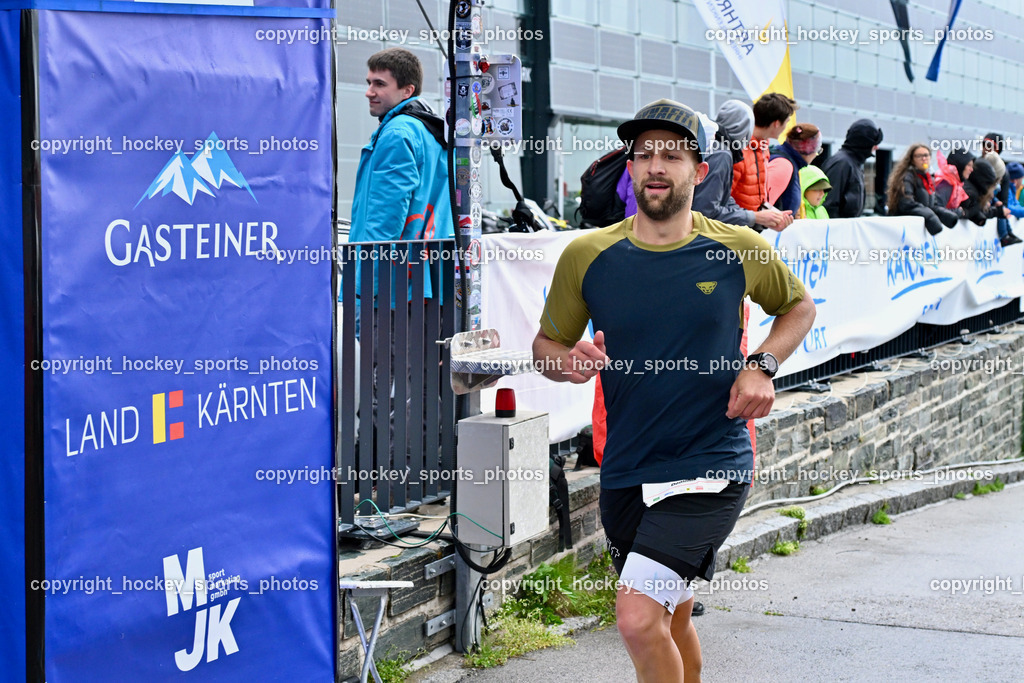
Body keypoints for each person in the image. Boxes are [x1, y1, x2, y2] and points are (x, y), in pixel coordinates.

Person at [533, 99, 816, 682]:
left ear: (700, 170)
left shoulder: (739, 247)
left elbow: (798, 307)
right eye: (644, 155)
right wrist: (568, 362)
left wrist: (761, 365)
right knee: (672, 616)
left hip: (710, 462)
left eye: (672, 155)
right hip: (627, 466)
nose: (655, 166)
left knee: (637, 620)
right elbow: (546, 348)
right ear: (630, 168)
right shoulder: (587, 254)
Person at [349, 47, 453, 244]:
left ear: (407, 91)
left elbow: (385, 217)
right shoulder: (435, 130)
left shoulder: (397, 134)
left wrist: (371, 263)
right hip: (432, 258)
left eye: (380, 84)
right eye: (369, 83)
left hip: (395, 262)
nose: (369, 92)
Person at [692, 100, 790, 230]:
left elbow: (724, 198)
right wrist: (755, 217)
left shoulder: (718, 147)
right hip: (720, 231)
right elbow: (706, 210)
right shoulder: (722, 154)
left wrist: (760, 218)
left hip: (738, 224)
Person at [731, 93, 798, 230]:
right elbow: (721, 202)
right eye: (787, 122)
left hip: (747, 227)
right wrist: (757, 218)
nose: (786, 127)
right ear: (776, 123)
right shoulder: (740, 150)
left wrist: (771, 217)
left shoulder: (762, 147)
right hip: (733, 231)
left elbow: (754, 196)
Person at [885, 144, 961, 235]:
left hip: (917, 231)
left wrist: (948, 216)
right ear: (912, 159)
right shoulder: (907, 177)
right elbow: (906, 203)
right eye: (919, 156)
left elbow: (932, 205)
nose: (924, 159)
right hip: (903, 230)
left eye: (926, 155)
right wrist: (930, 216)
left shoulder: (929, 178)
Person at [820, 119, 884, 218]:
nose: (876, 148)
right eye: (874, 143)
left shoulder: (851, 163)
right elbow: (829, 204)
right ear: (864, 144)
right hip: (838, 226)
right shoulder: (842, 164)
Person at [769, 123, 822, 217]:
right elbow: (763, 205)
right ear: (808, 150)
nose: (816, 155)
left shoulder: (788, 161)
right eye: (817, 151)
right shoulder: (783, 164)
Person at [959, 158, 1003, 227]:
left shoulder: (969, 189)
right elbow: (964, 212)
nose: (992, 195)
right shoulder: (971, 195)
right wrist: (997, 211)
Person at [934, 147, 974, 211]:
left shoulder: (956, 183)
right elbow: (938, 210)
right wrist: (959, 212)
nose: (971, 169)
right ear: (960, 164)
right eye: (969, 165)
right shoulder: (945, 183)